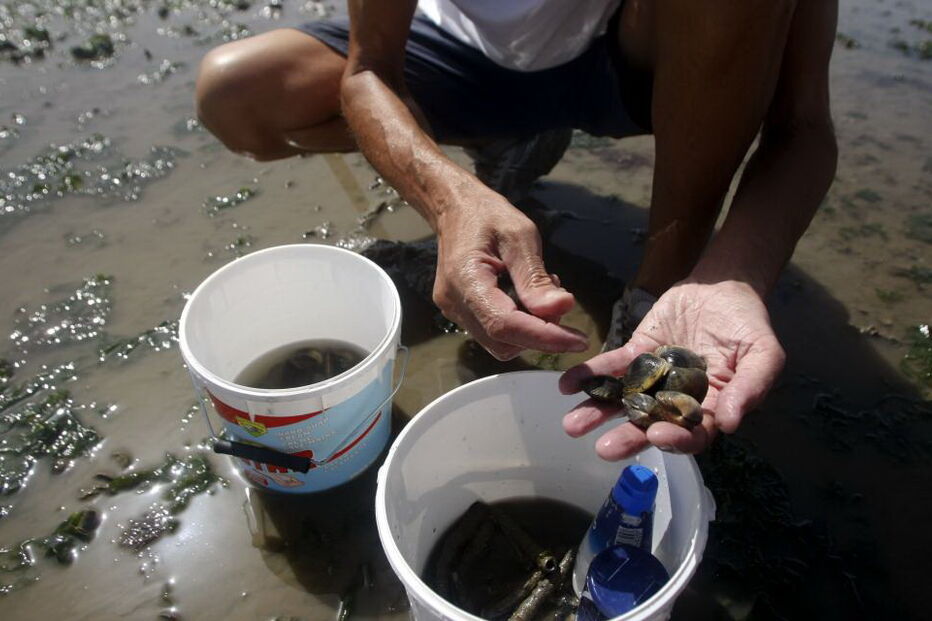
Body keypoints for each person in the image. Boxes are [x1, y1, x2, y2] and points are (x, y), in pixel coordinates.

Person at [195, 0, 839, 461]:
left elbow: (802, 126)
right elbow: (369, 70)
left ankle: (660, 289)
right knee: (235, 90)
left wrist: (733, 275)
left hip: (627, 59)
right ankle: (497, 141)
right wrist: (448, 200)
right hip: (456, 54)